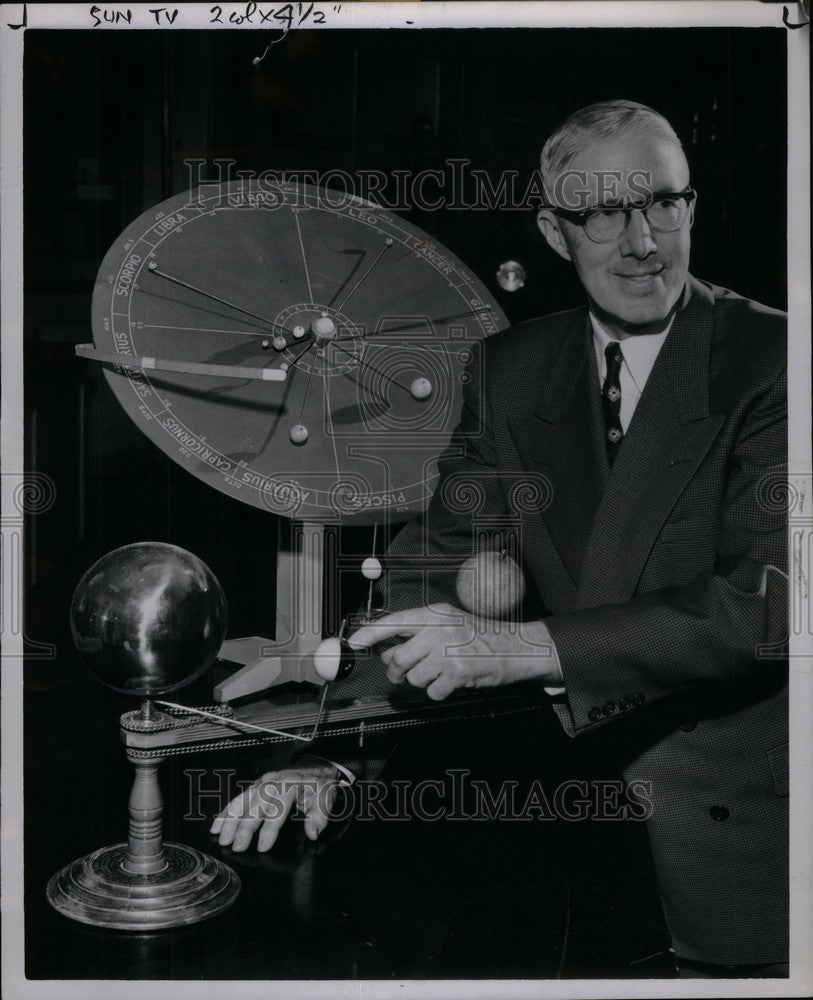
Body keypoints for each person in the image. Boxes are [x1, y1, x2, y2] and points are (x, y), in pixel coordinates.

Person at [212, 100, 788, 977]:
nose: (641, 241)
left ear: (691, 206)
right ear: (555, 233)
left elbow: (767, 603)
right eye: (603, 212)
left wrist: (520, 648)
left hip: (731, 841)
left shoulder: (778, 361)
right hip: (555, 822)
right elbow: (437, 567)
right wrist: (332, 754)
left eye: (663, 203)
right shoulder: (510, 366)